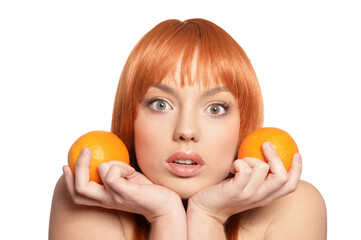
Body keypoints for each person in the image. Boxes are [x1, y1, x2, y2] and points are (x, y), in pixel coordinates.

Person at [49, 18, 327, 239]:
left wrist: (207, 216)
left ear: (245, 125)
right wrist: (165, 215)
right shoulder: (86, 190)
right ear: (129, 116)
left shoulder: (295, 205)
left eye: (215, 108)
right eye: (160, 104)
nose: (186, 130)